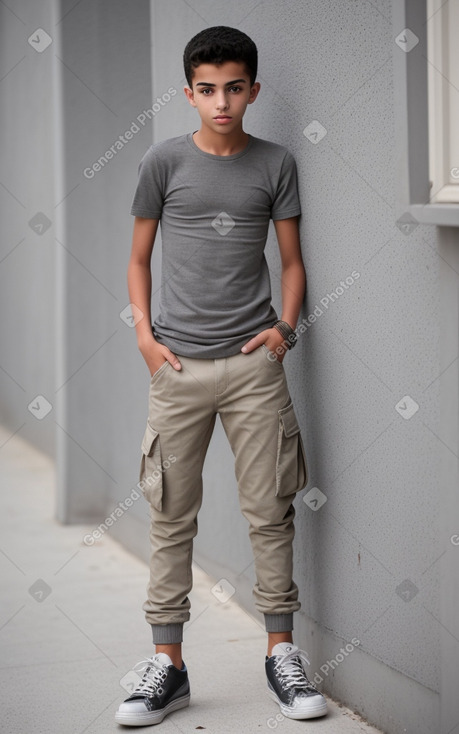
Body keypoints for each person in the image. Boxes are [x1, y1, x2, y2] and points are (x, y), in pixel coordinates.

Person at [115, 25, 328, 727]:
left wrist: (282, 333)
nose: (221, 102)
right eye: (206, 90)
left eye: (234, 88)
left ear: (253, 90)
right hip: (176, 367)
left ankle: (280, 654)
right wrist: (144, 337)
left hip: (251, 370)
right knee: (170, 514)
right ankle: (167, 666)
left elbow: (291, 263)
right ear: (189, 93)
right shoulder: (162, 162)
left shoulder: (275, 163)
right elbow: (139, 259)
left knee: (270, 508)